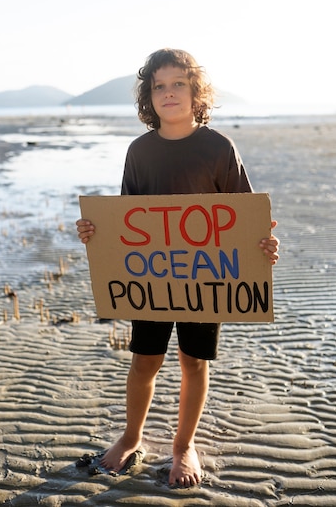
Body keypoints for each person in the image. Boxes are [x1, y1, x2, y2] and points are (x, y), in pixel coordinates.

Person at [76, 48, 279, 488]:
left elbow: (244, 218)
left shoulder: (219, 147)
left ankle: (183, 445)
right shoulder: (139, 152)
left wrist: (263, 245)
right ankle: (131, 437)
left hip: (205, 279)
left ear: (196, 90)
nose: (169, 93)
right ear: (149, 97)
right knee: (144, 359)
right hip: (151, 279)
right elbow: (125, 223)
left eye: (178, 84)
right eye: (159, 86)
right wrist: (96, 233)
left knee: (193, 362)